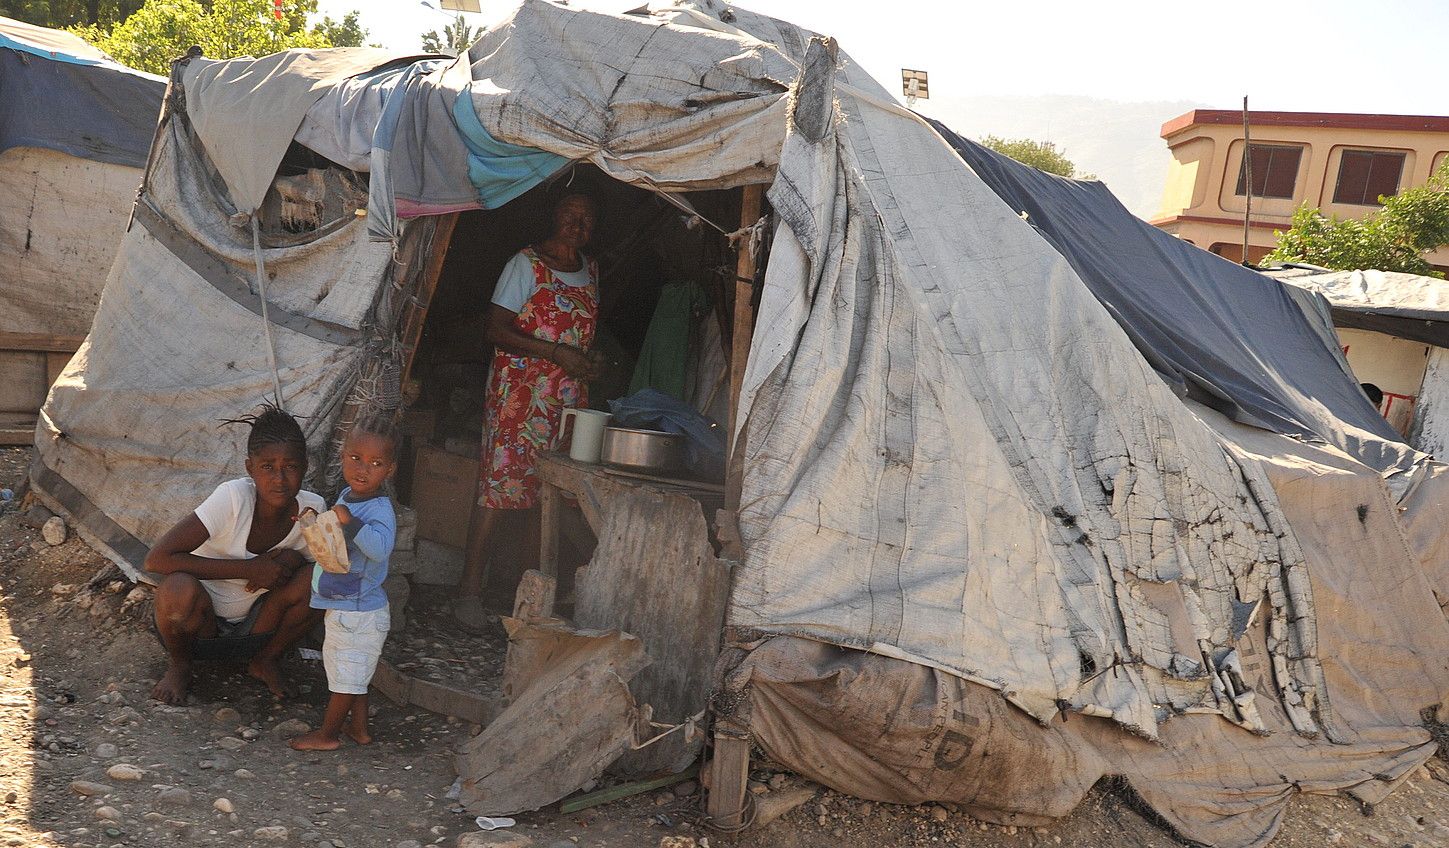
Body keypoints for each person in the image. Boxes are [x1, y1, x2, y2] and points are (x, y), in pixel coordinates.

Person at [453, 192, 605, 630]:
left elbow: (586, 335)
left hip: (566, 402)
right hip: (518, 398)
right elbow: (496, 330)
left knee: (549, 495)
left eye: (586, 219)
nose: (577, 226)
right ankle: (467, 593)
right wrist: (555, 352)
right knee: (498, 490)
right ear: (553, 216)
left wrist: (589, 361)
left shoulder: (591, 271)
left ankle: (529, 595)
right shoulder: (526, 265)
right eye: (569, 214)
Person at [146, 405, 325, 704]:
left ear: (305, 467)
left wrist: (294, 559)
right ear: (249, 468)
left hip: (258, 627)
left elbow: (322, 564)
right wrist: (248, 569)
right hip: (200, 623)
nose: (279, 478)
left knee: (322, 581)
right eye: (267, 466)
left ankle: (266, 660)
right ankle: (180, 665)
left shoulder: (312, 510)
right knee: (177, 589)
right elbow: (157, 559)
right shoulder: (232, 499)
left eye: (290, 467)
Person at [290, 426, 398, 751]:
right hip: (347, 606)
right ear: (342, 458)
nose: (363, 469)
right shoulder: (347, 497)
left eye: (375, 463)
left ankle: (327, 735)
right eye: (355, 458)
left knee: (345, 678)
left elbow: (379, 548)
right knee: (352, 674)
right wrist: (315, 523)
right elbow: (335, 540)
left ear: (389, 470)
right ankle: (359, 729)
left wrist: (351, 522)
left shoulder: (379, 511)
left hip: (360, 612)